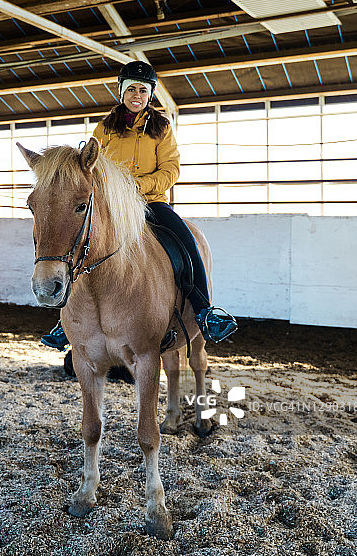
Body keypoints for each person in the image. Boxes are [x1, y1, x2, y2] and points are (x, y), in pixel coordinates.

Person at [41, 60, 237, 349]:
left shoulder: (161, 128)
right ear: (121, 92)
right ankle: (65, 321)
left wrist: (138, 187)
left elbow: (171, 169)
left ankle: (205, 311)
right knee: (82, 246)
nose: (137, 95)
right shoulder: (104, 129)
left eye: (143, 91)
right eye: (131, 89)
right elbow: (89, 166)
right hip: (113, 208)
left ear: (150, 94)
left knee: (185, 243)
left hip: (151, 204)